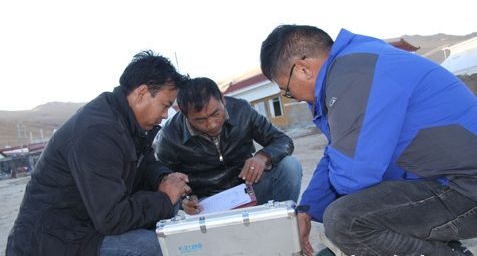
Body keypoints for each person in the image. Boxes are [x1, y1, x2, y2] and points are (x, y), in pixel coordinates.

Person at [260, 25, 477, 256]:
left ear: (302, 69)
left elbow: (354, 175)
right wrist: (307, 209)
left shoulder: (352, 76)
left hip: (464, 189)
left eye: (288, 91)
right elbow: (337, 153)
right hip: (450, 181)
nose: (294, 98)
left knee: (346, 221)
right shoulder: (356, 64)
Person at [7, 50, 191, 256]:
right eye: (165, 106)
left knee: (172, 209)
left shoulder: (129, 122)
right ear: (141, 93)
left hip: (88, 224)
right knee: (153, 247)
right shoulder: (97, 133)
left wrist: (166, 179)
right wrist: (164, 197)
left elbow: (146, 164)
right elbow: (112, 218)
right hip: (54, 241)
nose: (166, 115)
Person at [155, 77, 303, 214]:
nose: (211, 124)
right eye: (200, 120)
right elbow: (162, 178)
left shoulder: (242, 111)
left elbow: (283, 141)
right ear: (184, 115)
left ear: (222, 99)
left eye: (215, 113)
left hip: (248, 189)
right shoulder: (169, 136)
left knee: (289, 166)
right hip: (204, 203)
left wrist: (263, 157)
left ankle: (282, 224)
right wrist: (184, 200)